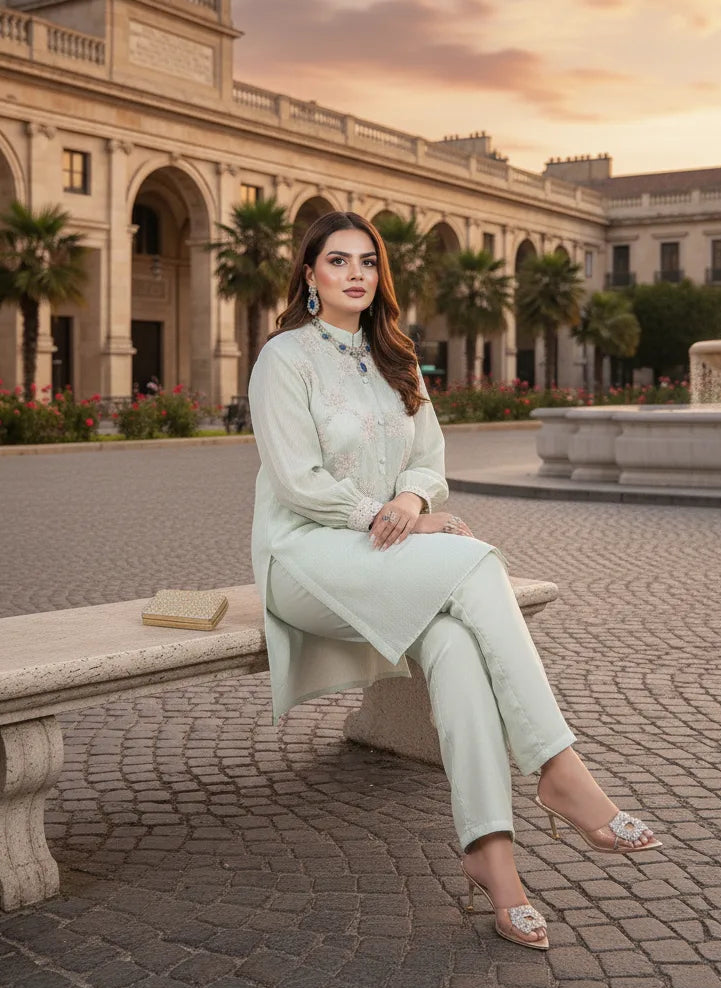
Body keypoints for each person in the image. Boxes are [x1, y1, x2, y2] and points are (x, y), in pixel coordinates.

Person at [248, 212, 661, 951]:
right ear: (308, 275)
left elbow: (428, 457)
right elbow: (296, 481)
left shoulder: (394, 356)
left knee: (457, 650)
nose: (354, 274)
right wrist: (388, 513)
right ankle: (558, 768)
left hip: (382, 549)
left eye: (367, 262)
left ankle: (489, 856)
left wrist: (412, 501)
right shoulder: (285, 358)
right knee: (476, 560)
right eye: (336, 261)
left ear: (380, 277)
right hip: (306, 556)